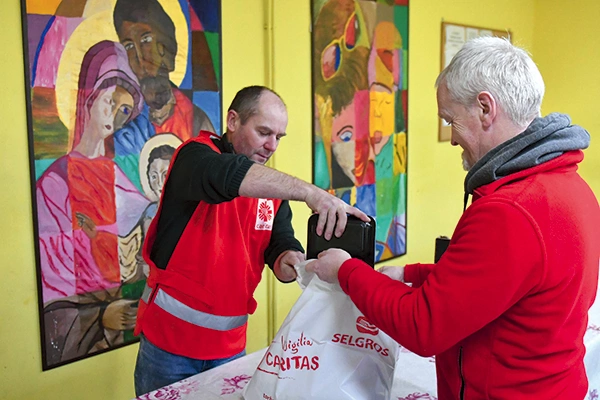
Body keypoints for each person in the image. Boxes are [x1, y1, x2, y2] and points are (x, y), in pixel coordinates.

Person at [308, 37, 600, 399]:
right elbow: (497, 283)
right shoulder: (570, 186)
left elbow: (423, 327)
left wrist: (346, 271)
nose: (451, 140)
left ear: (484, 108)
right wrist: (411, 274)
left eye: (450, 120)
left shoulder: (510, 212)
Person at [133, 85, 369, 395]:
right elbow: (227, 175)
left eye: (279, 137)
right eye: (263, 132)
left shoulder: (271, 191)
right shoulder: (195, 158)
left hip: (229, 349)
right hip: (169, 347)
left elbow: (279, 240)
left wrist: (291, 260)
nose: (272, 145)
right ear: (233, 121)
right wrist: (312, 193)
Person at [37, 40, 150, 366]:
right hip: (89, 325)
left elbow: (145, 240)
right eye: (110, 100)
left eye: (124, 110)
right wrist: (99, 316)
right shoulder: (56, 185)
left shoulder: (118, 177)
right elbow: (53, 285)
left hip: (126, 318)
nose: (114, 114)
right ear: (89, 95)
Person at [111, 0, 216, 157]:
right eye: (129, 47)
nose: (140, 58)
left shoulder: (196, 120)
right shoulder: (124, 122)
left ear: (166, 47)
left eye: (146, 40)